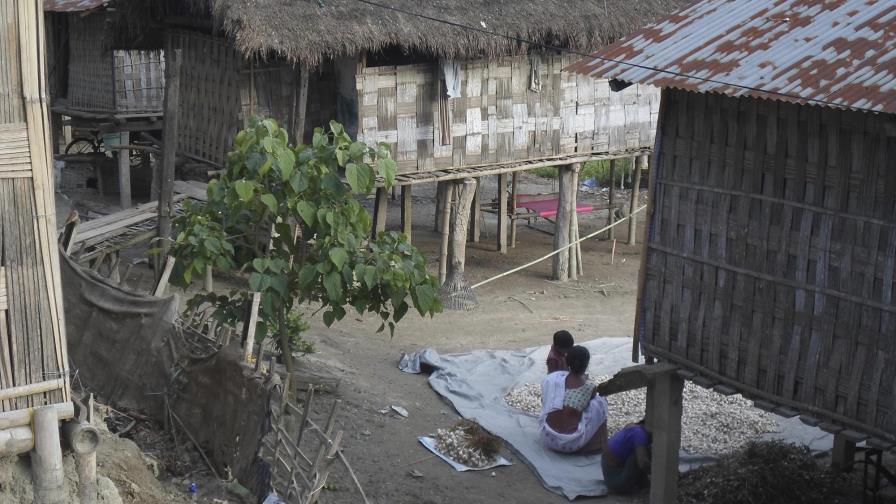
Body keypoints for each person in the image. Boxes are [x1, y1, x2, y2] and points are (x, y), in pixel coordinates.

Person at [539, 346, 608, 454]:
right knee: (599, 401)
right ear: (587, 365)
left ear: (567, 362)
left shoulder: (554, 379)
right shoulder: (589, 386)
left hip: (547, 435)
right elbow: (585, 400)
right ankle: (599, 442)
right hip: (570, 443)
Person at [601, 419, 651, 494]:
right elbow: (642, 464)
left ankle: (642, 484)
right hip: (616, 482)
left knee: (640, 453)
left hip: (610, 477)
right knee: (640, 456)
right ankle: (643, 486)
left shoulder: (633, 427)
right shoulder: (640, 435)